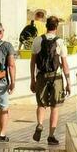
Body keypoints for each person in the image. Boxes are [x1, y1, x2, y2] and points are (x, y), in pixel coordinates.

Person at [31, 15, 71, 145]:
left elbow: (33, 62)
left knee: (41, 104)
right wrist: (68, 83)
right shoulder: (60, 42)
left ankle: (40, 124)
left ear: (46, 26)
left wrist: (32, 79)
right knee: (55, 106)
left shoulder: (37, 40)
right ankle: (51, 135)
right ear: (56, 27)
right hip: (56, 77)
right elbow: (64, 64)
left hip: (41, 76)